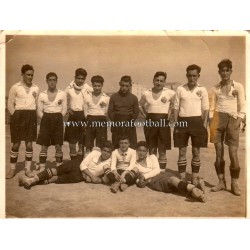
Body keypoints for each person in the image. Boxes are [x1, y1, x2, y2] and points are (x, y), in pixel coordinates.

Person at [209, 59, 246, 196]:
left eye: (227, 70)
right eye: (222, 71)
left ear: (231, 71)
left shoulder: (238, 86)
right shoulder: (215, 88)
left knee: (233, 153)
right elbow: (212, 107)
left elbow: (243, 105)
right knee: (219, 153)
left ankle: (234, 184)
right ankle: (221, 182)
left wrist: (239, 120)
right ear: (219, 72)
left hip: (233, 119)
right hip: (218, 119)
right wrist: (211, 121)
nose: (224, 73)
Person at [18, 141, 114, 189]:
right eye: (104, 151)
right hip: (76, 164)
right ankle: (31, 180)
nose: (105, 153)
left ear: (111, 153)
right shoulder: (94, 153)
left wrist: (96, 179)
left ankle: (28, 180)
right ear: (101, 150)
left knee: (54, 179)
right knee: (55, 171)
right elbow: (83, 165)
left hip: (79, 176)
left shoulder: (109, 162)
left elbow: (105, 177)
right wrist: (92, 176)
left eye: (108, 152)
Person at [134, 141, 207, 203]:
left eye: (143, 151)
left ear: (147, 151)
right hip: (154, 181)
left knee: (177, 184)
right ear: (136, 151)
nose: (141, 153)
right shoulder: (135, 164)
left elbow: (156, 170)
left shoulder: (152, 157)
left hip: (163, 174)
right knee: (173, 181)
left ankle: (197, 193)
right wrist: (139, 181)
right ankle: (194, 188)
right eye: (139, 150)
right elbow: (138, 180)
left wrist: (144, 176)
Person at [173, 64, 209, 186]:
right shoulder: (180, 89)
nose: (192, 78)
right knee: (182, 151)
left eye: (194, 75)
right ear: (186, 75)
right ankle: (182, 178)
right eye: (189, 75)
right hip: (182, 121)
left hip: (197, 122)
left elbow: (206, 108)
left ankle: (194, 177)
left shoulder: (202, 89)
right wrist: (176, 123)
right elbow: (176, 107)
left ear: (198, 76)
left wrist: (204, 124)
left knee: (196, 151)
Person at [6, 64, 39, 178]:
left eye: (32, 75)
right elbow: (10, 104)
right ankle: (12, 169)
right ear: (22, 75)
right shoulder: (15, 87)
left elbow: (36, 103)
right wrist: (15, 115)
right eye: (28, 75)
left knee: (29, 144)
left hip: (31, 116)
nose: (30, 77)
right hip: (18, 116)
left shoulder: (36, 88)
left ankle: (28, 168)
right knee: (16, 144)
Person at [139, 71, 175, 169]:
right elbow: (140, 105)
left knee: (162, 148)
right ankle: (153, 170)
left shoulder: (170, 93)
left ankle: (162, 172)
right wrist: (145, 115)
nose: (159, 83)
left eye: (161, 81)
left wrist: (170, 115)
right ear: (153, 80)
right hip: (150, 122)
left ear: (164, 82)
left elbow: (175, 104)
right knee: (152, 148)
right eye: (157, 80)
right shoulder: (146, 93)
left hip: (163, 122)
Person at [36, 72, 67, 171]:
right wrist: (46, 118)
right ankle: (42, 168)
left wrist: (56, 118)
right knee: (44, 145)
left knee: (58, 145)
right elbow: (39, 111)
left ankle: (59, 167)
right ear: (47, 81)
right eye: (50, 80)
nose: (52, 82)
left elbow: (64, 109)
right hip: (46, 120)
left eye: (54, 80)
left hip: (58, 119)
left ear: (56, 81)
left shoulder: (62, 94)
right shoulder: (42, 94)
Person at [64, 68, 92, 160]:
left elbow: (95, 96)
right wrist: (67, 108)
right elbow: (62, 99)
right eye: (79, 78)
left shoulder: (87, 88)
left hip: (83, 116)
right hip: (73, 116)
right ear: (75, 77)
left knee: (81, 141)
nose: (80, 80)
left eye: (83, 79)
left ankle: (79, 162)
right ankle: (73, 163)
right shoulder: (69, 88)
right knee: (72, 141)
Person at [108, 75, 139, 149]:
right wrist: (116, 121)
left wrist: (130, 121)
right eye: (122, 85)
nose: (124, 88)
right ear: (119, 84)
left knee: (131, 146)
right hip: (117, 123)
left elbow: (136, 113)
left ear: (130, 86)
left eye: (127, 86)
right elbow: (110, 112)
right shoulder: (113, 97)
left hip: (129, 124)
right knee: (116, 145)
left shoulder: (134, 98)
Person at [84, 75, 110, 155]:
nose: (97, 88)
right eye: (95, 86)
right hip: (90, 119)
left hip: (101, 120)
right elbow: (85, 111)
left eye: (99, 86)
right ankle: (87, 160)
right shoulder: (87, 96)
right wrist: (89, 119)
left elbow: (106, 112)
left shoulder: (106, 98)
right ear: (92, 85)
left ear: (102, 85)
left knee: (101, 144)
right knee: (88, 143)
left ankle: (98, 161)